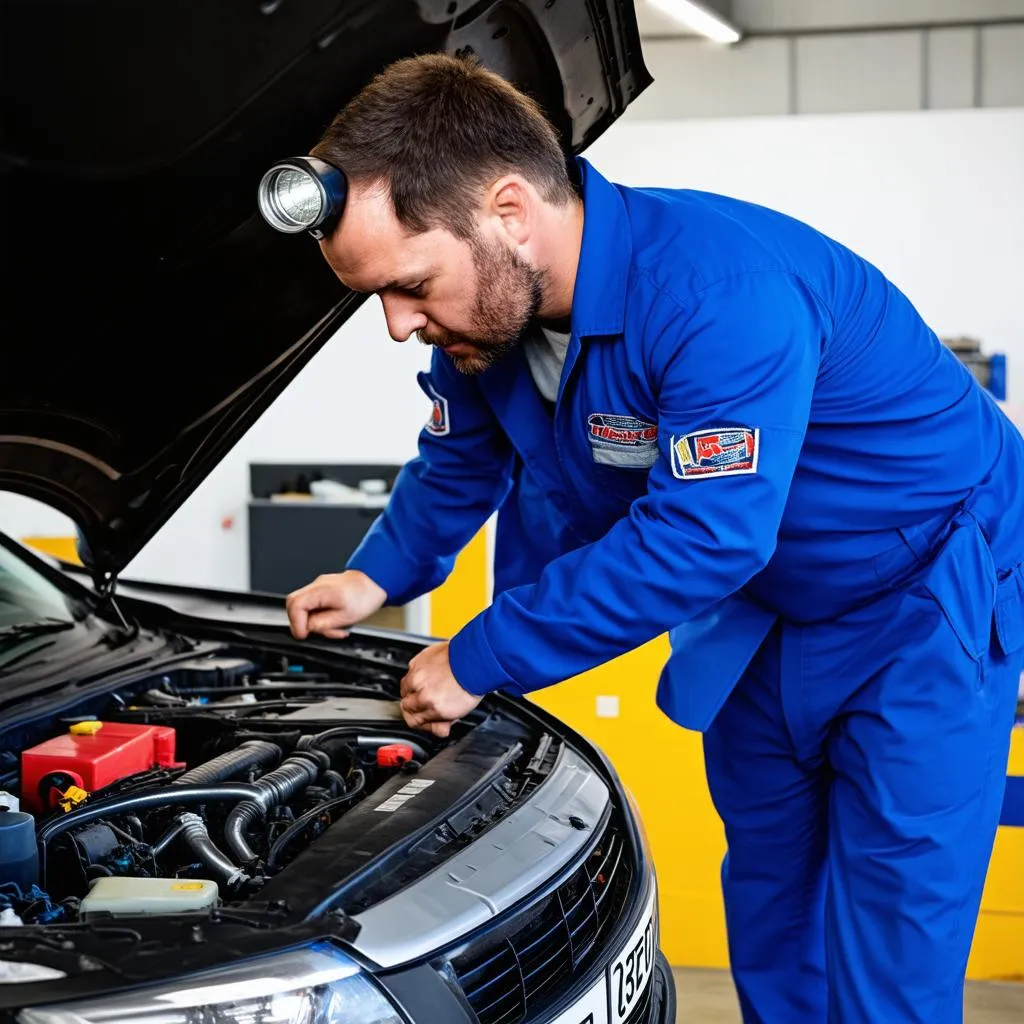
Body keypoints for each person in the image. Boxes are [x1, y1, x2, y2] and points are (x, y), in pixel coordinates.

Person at [282, 53, 1024, 1023]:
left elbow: (706, 533)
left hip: (924, 598)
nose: (395, 324)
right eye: (378, 294)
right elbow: (462, 460)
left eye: (412, 285)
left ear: (509, 210)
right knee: (769, 907)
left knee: (891, 934)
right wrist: (374, 577)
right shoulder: (484, 331)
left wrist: (482, 654)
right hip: (765, 612)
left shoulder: (716, 291)